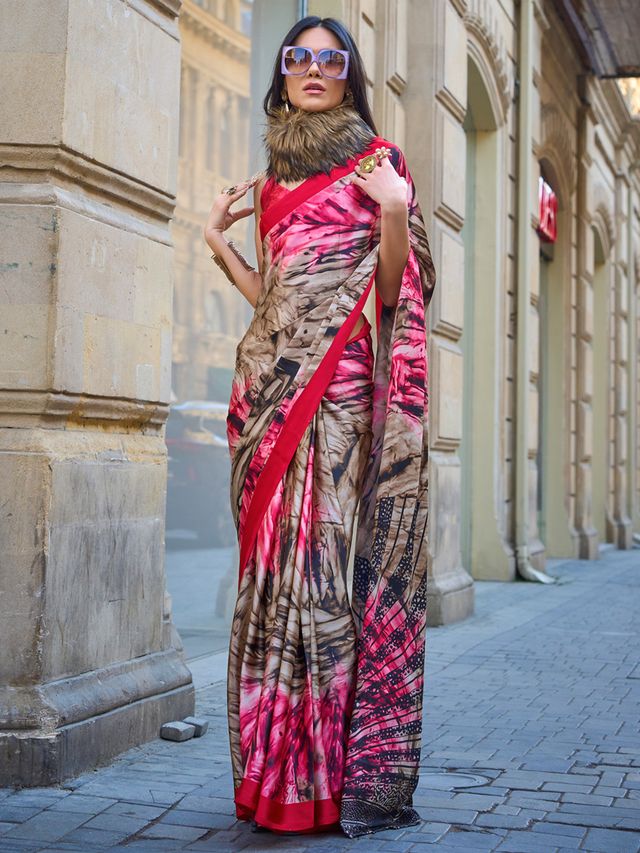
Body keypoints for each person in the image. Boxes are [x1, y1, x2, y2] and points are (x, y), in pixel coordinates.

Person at [203, 15, 436, 839]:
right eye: (295, 56)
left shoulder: (379, 168)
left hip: (337, 416)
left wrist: (399, 213)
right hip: (269, 411)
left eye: (327, 58)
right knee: (269, 588)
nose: (311, 68)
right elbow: (276, 304)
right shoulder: (269, 186)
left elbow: (390, 298)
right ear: (282, 73)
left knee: (325, 588)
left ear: (348, 73)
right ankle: (272, 778)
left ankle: (327, 781)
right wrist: (216, 245)